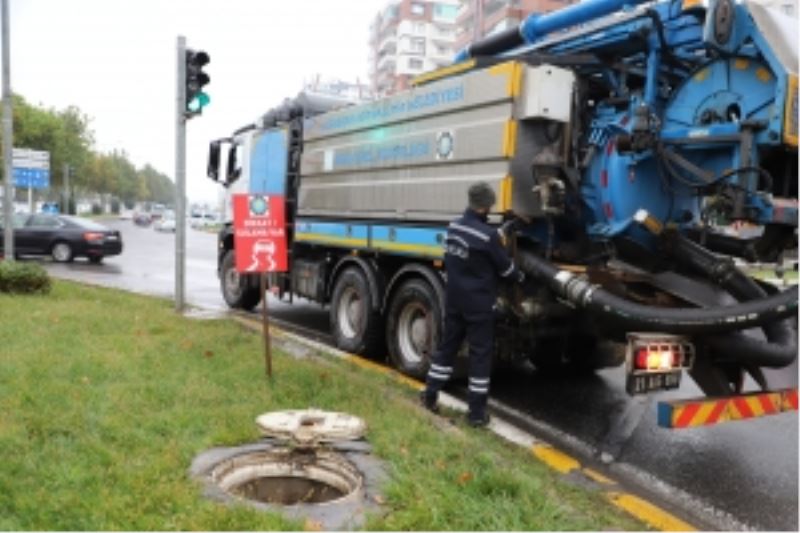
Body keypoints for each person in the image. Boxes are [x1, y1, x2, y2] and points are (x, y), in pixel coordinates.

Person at [420, 181, 525, 427]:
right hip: (479, 305)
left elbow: (471, 245)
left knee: (447, 347)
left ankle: (430, 394)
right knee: (479, 355)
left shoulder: (454, 227)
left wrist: (503, 231)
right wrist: (520, 276)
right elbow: (506, 269)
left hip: (455, 300)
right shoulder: (488, 237)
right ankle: (477, 414)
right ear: (487, 205)